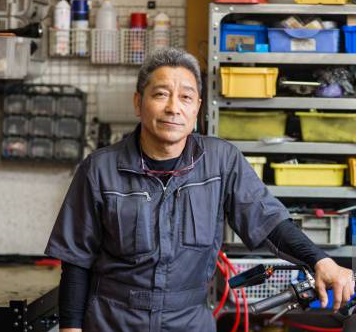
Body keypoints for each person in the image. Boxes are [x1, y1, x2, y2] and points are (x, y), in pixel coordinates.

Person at [45, 47, 355, 332]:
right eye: (161, 94)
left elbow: (269, 222)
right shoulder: (99, 169)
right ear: (139, 102)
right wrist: (71, 328)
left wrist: (320, 261)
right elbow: (76, 261)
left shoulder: (221, 162)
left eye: (186, 97)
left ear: (198, 109)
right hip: (113, 320)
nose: (173, 108)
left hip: (188, 321)